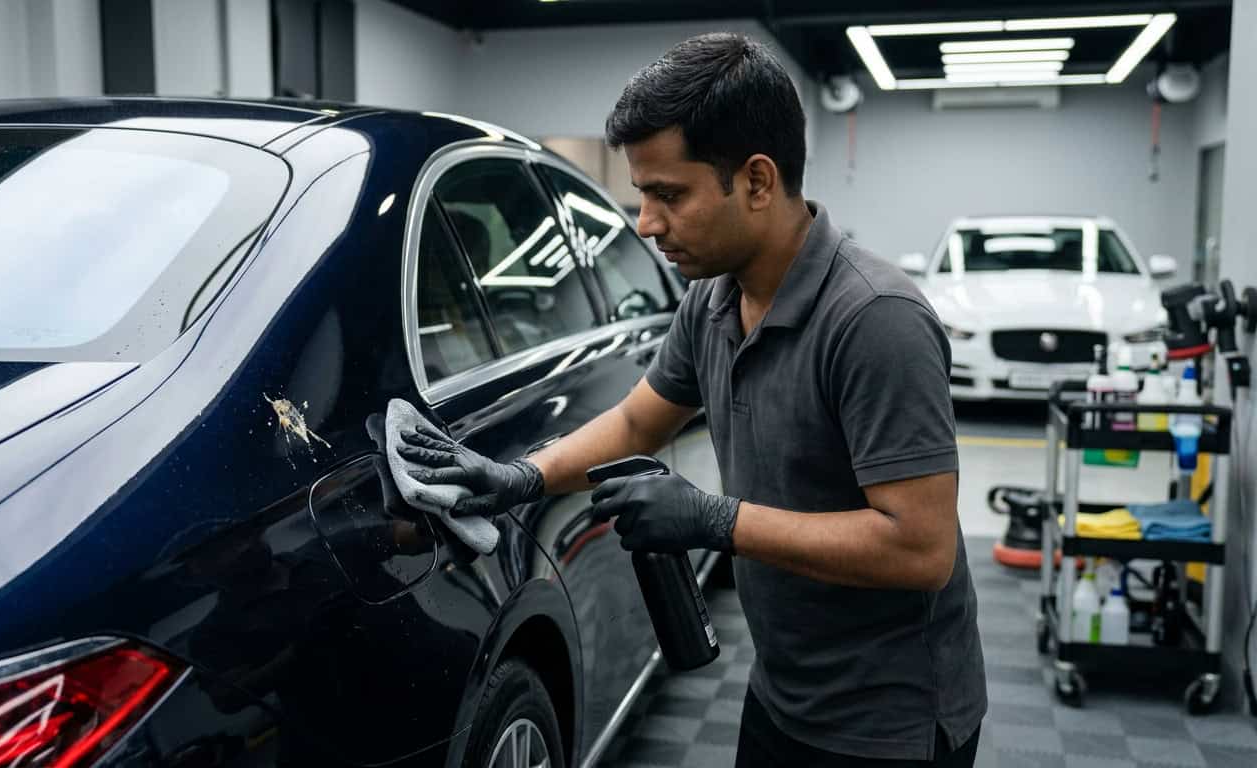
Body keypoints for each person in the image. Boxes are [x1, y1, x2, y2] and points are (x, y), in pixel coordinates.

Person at [395, 32, 986, 767]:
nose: (645, 222)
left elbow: (921, 547)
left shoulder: (875, 320)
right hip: (781, 692)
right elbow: (640, 419)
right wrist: (524, 477)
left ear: (759, 181)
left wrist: (715, 520)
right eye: (643, 194)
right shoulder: (711, 300)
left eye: (668, 194)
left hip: (889, 723)